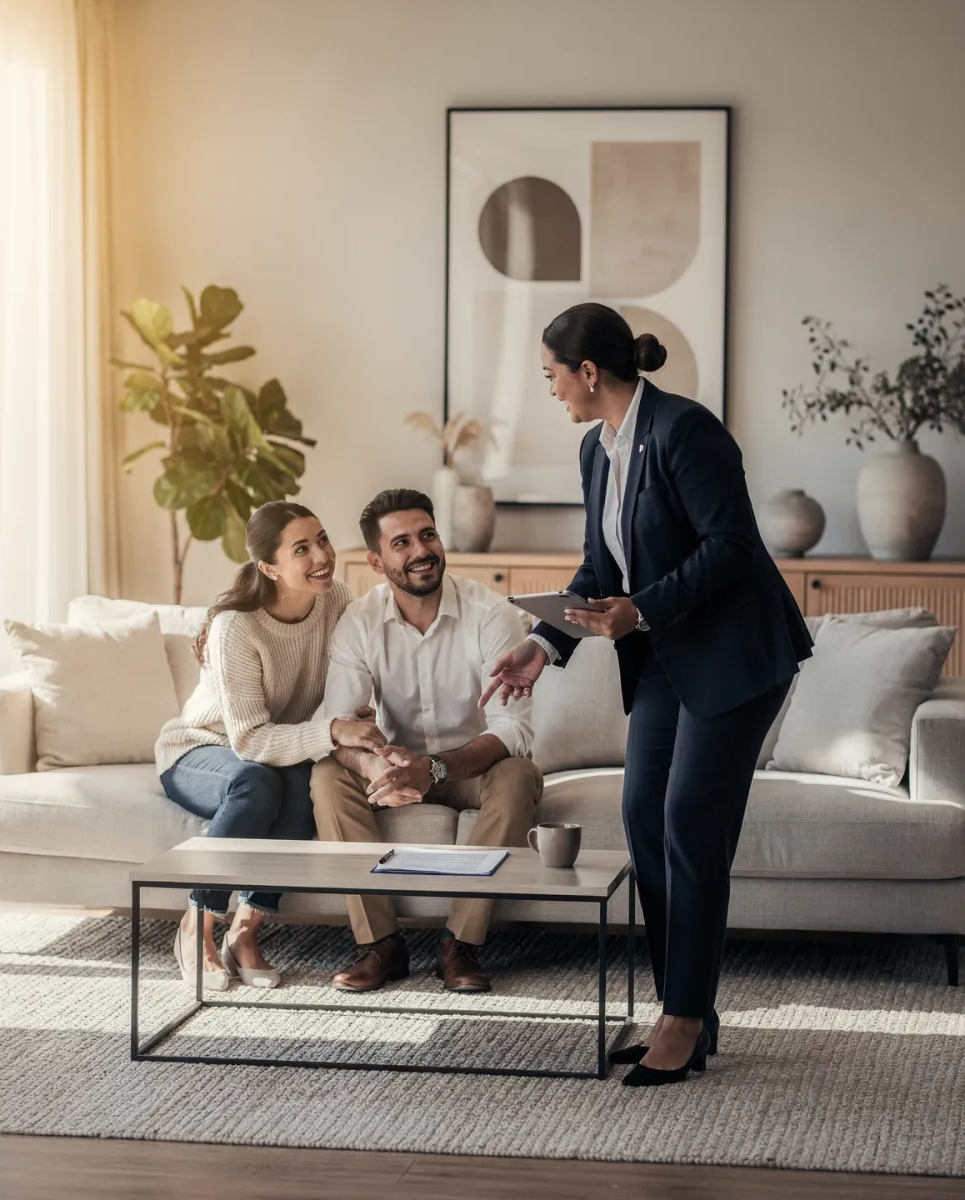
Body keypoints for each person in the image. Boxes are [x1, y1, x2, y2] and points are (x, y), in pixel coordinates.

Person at [483, 303, 812, 1086]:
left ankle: (686, 1018)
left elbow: (733, 546)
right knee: (642, 813)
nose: (553, 391)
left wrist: (643, 609)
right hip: (666, 651)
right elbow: (601, 567)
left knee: (688, 819)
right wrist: (544, 642)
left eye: (553, 376)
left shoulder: (685, 431)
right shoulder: (598, 451)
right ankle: (682, 1008)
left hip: (735, 652)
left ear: (588, 373)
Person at [312, 488, 543, 995]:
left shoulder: (490, 613)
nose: (421, 551)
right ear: (376, 561)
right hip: (393, 768)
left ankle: (459, 945)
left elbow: (513, 730)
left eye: (427, 535)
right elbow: (338, 726)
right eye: (402, 543)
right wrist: (373, 766)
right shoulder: (359, 622)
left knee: (520, 773)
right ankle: (382, 944)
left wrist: (433, 768)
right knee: (329, 775)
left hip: (471, 769)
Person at [155, 500, 385, 991]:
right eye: (301, 548)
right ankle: (196, 927)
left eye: (322, 539)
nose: (322, 554)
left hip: (282, 748)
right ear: (269, 567)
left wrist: (356, 722)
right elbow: (249, 739)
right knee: (254, 782)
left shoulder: (337, 598)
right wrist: (331, 731)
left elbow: (356, 680)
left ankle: (245, 930)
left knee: (312, 783)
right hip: (202, 748)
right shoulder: (236, 625)